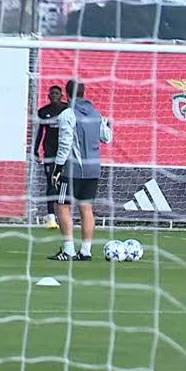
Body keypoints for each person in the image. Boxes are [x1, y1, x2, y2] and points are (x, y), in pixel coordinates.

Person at [48, 79, 112, 261]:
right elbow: (106, 137)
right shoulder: (97, 114)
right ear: (84, 93)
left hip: (72, 169)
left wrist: (58, 167)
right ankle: (86, 251)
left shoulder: (68, 114)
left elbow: (65, 143)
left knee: (61, 205)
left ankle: (68, 250)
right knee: (86, 207)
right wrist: (107, 124)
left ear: (67, 95)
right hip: (93, 168)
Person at [33, 85, 68, 229]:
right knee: (51, 183)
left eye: (57, 93)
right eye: (52, 93)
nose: (54, 95)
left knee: (65, 184)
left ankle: (64, 216)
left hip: (65, 153)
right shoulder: (43, 112)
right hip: (49, 152)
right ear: (48, 96)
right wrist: (35, 150)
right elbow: (40, 132)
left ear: (61, 96)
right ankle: (51, 218)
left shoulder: (68, 110)